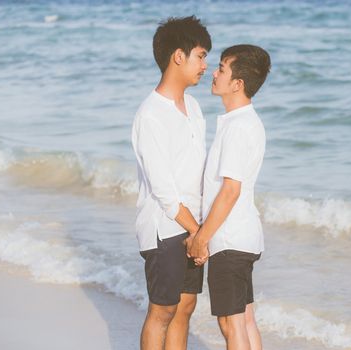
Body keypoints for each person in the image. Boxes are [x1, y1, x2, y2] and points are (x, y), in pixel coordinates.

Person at [131, 16, 211, 350]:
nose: (206, 65)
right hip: (165, 227)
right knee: (163, 310)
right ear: (179, 56)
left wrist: (202, 229)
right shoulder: (150, 114)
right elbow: (164, 191)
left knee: (186, 308)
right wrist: (196, 232)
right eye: (201, 55)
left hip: (193, 224)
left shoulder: (193, 107)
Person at [187, 44, 271, 350]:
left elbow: (230, 191)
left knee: (230, 322)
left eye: (222, 68)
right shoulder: (243, 122)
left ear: (238, 83)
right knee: (245, 320)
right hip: (242, 238)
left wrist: (201, 238)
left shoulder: (238, 127)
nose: (214, 72)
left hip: (230, 239)